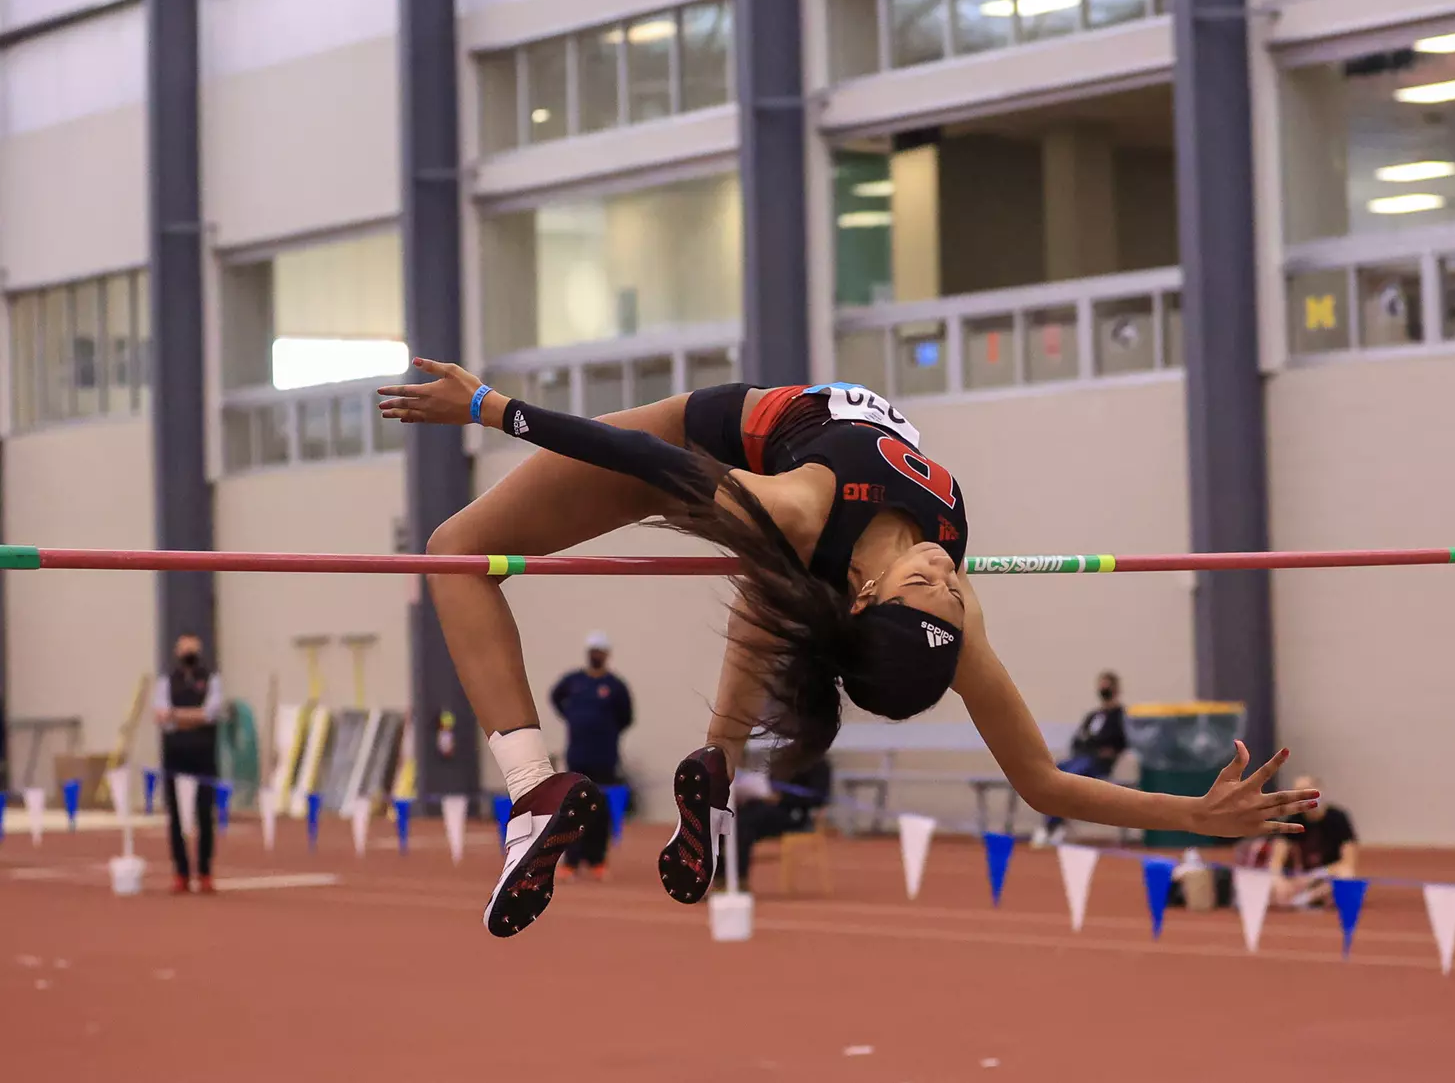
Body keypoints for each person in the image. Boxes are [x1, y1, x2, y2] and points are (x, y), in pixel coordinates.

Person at [377, 360, 1319, 939]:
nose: (946, 580)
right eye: (948, 589)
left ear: (869, 597)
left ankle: (534, 784)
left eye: (932, 588)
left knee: (453, 553)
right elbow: (1044, 784)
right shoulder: (951, 618)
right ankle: (720, 760)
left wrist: (493, 408)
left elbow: (658, 466)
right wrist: (1191, 817)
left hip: (708, 451)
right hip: (760, 478)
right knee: (775, 570)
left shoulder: (805, 514)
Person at [548, 631, 633, 881]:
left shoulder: (616, 687)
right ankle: (571, 861)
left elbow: (626, 717)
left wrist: (606, 730)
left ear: (606, 655)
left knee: (600, 811)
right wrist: (573, 717)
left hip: (604, 759)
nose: (596, 655)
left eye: (600, 651)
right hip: (578, 757)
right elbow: (555, 697)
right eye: (592, 651)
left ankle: (597, 859)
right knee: (575, 808)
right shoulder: (573, 681)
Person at [152, 633, 224, 895]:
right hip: (175, 756)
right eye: (184, 647)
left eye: (193, 647)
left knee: (205, 815)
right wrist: (191, 717)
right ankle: (181, 873)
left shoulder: (212, 680)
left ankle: (205, 872)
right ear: (177, 650)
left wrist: (178, 716)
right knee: (176, 817)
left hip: (204, 756)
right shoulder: (166, 682)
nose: (189, 651)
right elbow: (161, 716)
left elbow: (212, 713)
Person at [1033, 670, 1129, 847]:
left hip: (1099, 763)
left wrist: (1100, 747)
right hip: (1082, 757)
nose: (1103, 688)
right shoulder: (1093, 716)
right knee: (1055, 771)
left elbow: (1119, 741)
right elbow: (1078, 739)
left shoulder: (1119, 716)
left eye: (1106, 685)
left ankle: (1051, 826)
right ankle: (1055, 824)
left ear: (1115, 689)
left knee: (1071, 776)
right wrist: (1087, 744)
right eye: (1101, 685)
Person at [721, 756, 833, 892]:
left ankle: (740, 880)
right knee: (727, 819)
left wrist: (783, 798)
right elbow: (768, 783)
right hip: (765, 805)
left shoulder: (819, 763)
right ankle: (719, 878)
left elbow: (819, 798)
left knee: (744, 825)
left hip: (794, 814)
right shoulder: (782, 758)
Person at [1267, 775, 1357, 909]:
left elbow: (1348, 862)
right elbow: (1276, 860)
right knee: (1272, 884)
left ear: (1320, 791)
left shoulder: (1338, 818)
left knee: (1347, 877)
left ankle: (1304, 899)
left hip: (1327, 876)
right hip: (1299, 879)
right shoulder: (1292, 821)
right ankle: (1307, 898)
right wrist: (1279, 880)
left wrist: (1313, 876)